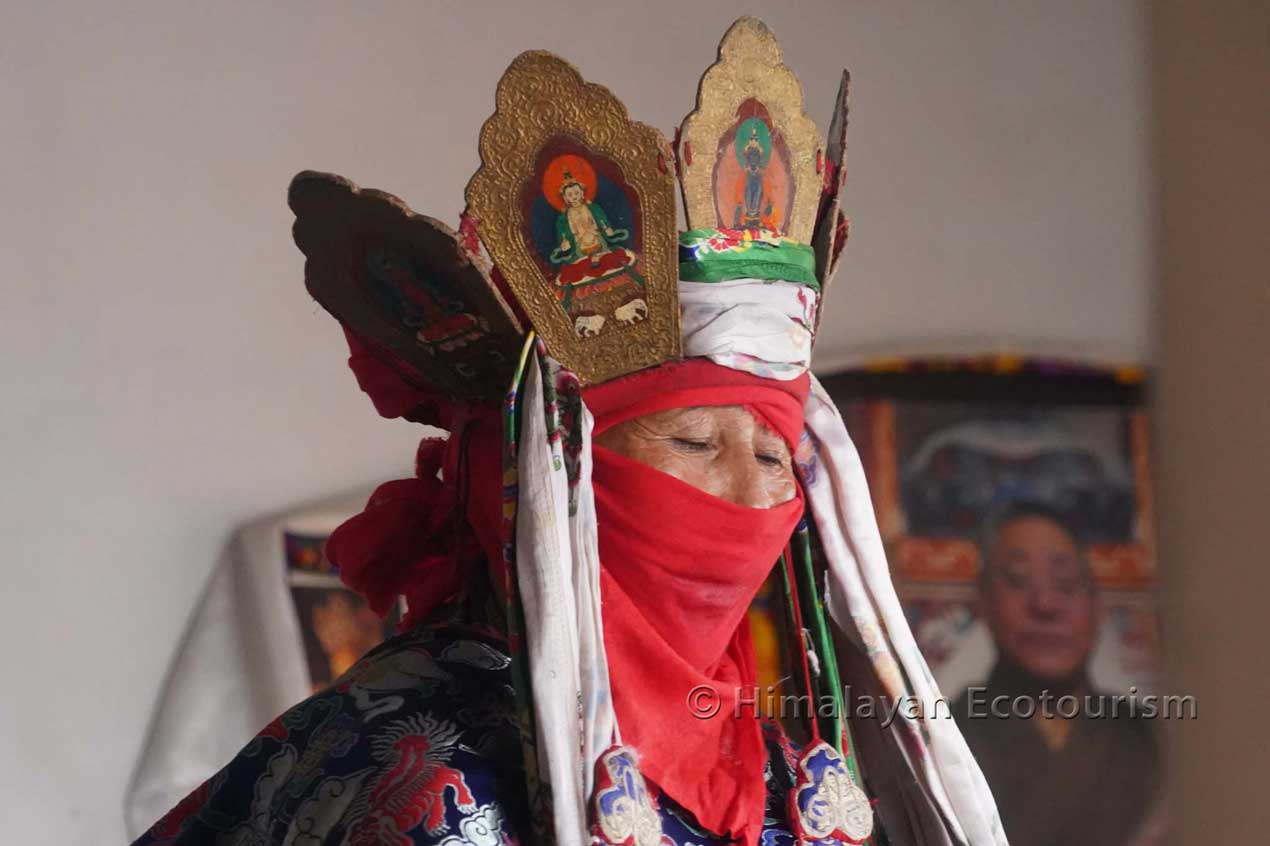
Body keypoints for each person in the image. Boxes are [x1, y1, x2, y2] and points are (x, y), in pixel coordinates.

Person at [132, 19, 1006, 846]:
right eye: (693, 444)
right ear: (557, 473)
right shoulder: (415, 765)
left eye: (775, 456)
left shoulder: (794, 783)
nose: (747, 498)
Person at [953, 501, 1159, 846]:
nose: (1045, 605)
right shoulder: (947, 738)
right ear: (983, 603)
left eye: (1065, 584)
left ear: (1097, 605)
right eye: (1018, 582)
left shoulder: (1152, 743)